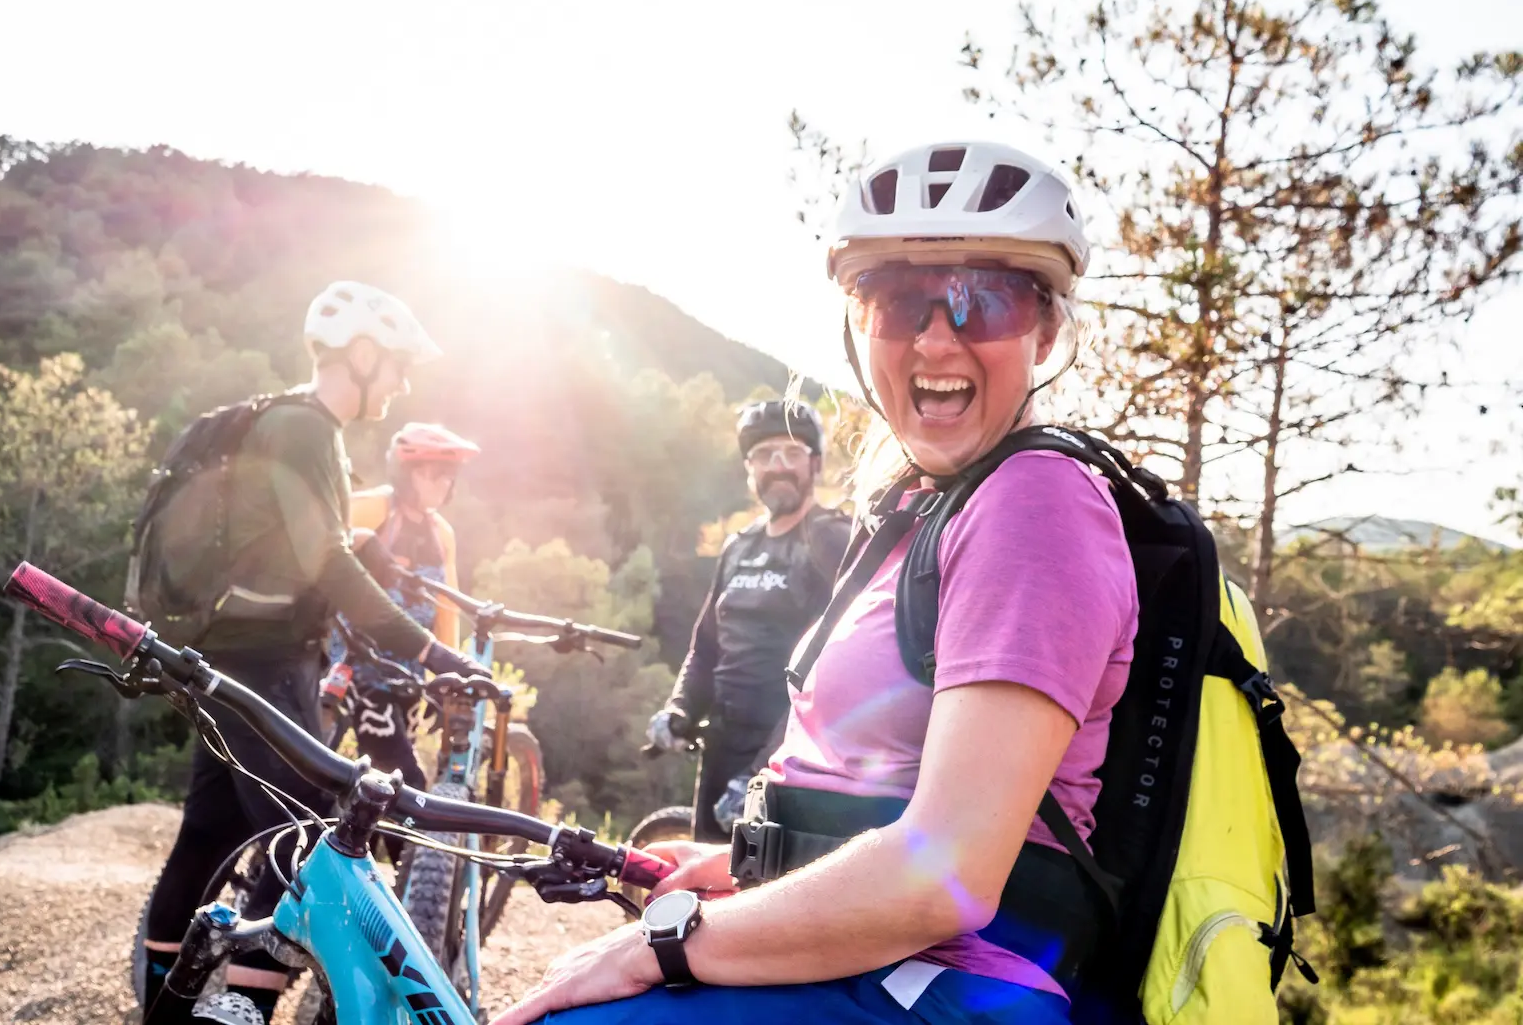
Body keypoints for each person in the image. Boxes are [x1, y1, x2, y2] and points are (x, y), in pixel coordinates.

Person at [494, 140, 1138, 1025]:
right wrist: (733, 864)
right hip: (870, 967)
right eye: (898, 301)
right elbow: (871, 794)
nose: (937, 337)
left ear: (1047, 328)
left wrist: (665, 944)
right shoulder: (920, 506)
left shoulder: (1034, 502)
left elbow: (936, 877)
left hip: (939, 982)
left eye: (985, 299)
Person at [140, 282, 488, 1025]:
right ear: (361, 355)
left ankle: (162, 1002)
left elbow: (299, 546)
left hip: (222, 656)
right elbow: (327, 560)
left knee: (211, 831)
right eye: (395, 365)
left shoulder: (279, 420)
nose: (400, 382)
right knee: (306, 836)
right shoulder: (307, 428)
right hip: (267, 663)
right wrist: (431, 650)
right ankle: (238, 1007)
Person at [644, 400, 849, 842]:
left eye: (792, 453)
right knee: (704, 892)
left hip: (790, 759)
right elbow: (706, 645)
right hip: (721, 748)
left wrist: (765, 772)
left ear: (815, 464)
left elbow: (837, 670)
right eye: (764, 455)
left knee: (761, 900)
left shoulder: (832, 540)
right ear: (749, 469)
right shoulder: (739, 547)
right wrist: (680, 709)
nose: (778, 466)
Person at [322, 421, 479, 861]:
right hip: (352, 661)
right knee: (403, 782)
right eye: (432, 473)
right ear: (405, 474)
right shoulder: (372, 510)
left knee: (377, 786)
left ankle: (379, 879)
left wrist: (448, 670)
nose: (442, 484)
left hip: (409, 669)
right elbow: (322, 559)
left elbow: (446, 609)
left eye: (448, 476)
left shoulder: (441, 533)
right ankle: (416, 898)